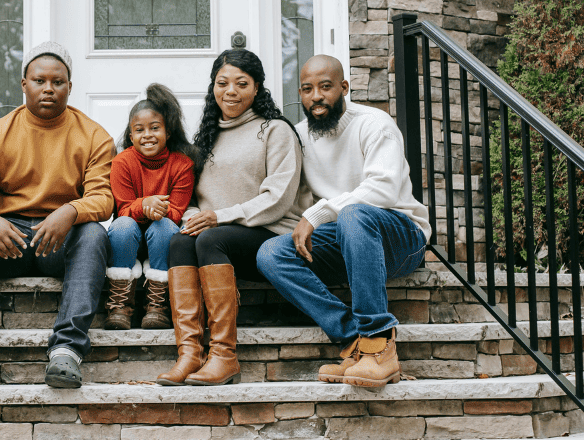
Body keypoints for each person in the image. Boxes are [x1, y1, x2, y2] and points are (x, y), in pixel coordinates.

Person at [0, 42, 114, 390]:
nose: (48, 88)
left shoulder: (93, 136)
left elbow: (103, 198)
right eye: (39, 80)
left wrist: (70, 210)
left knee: (94, 235)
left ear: (70, 87)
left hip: (59, 241)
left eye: (58, 82)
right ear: (24, 84)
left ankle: (66, 351)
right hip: (7, 243)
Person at [256, 55, 429, 389]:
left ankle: (378, 340)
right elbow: (296, 200)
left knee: (354, 214)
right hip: (344, 238)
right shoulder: (300, 136)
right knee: (270, 252)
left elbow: (383, 188)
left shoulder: (374, 123)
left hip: (400, 236)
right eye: (307, 89)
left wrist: (318, 214)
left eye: (325, 87)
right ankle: (355, 342)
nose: (316, 97)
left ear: (344, 88)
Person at [158, 49, 304, 387]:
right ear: (213, 88)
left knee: (211, 237)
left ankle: (224, 355)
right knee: (180, 241)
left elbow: (278, 199)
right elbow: (192, 197)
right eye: (222, 83)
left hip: (270, 234)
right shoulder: (208, 136)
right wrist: (195, 216)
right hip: (220, 236)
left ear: (257, 88)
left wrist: (217, 218)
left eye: (241, 83)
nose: (231, 91)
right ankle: (190, 353)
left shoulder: (276, 131)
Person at [105, 84, 198, 330]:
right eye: (140, 130)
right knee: (122, 225)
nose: (147, 135)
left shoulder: (182, 165)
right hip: (129, 241)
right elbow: (123, 208)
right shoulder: (122, 162)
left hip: (163, 240)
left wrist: (157, 210)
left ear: (168, 132)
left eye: (155, 128)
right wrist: (144, 204)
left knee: (165, 225)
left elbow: (177, 212)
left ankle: (157, 304)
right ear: (131, 136)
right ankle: (120, 303)